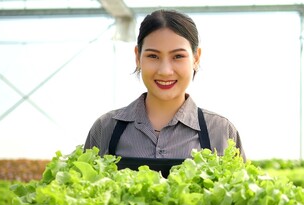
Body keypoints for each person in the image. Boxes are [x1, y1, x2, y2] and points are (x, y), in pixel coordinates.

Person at [84, 9, 246, 176]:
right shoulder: (105, 128)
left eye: (178, 56)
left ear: (196, 58)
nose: (165, 71)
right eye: (153, 56)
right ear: (137, 56)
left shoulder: (221, 131)